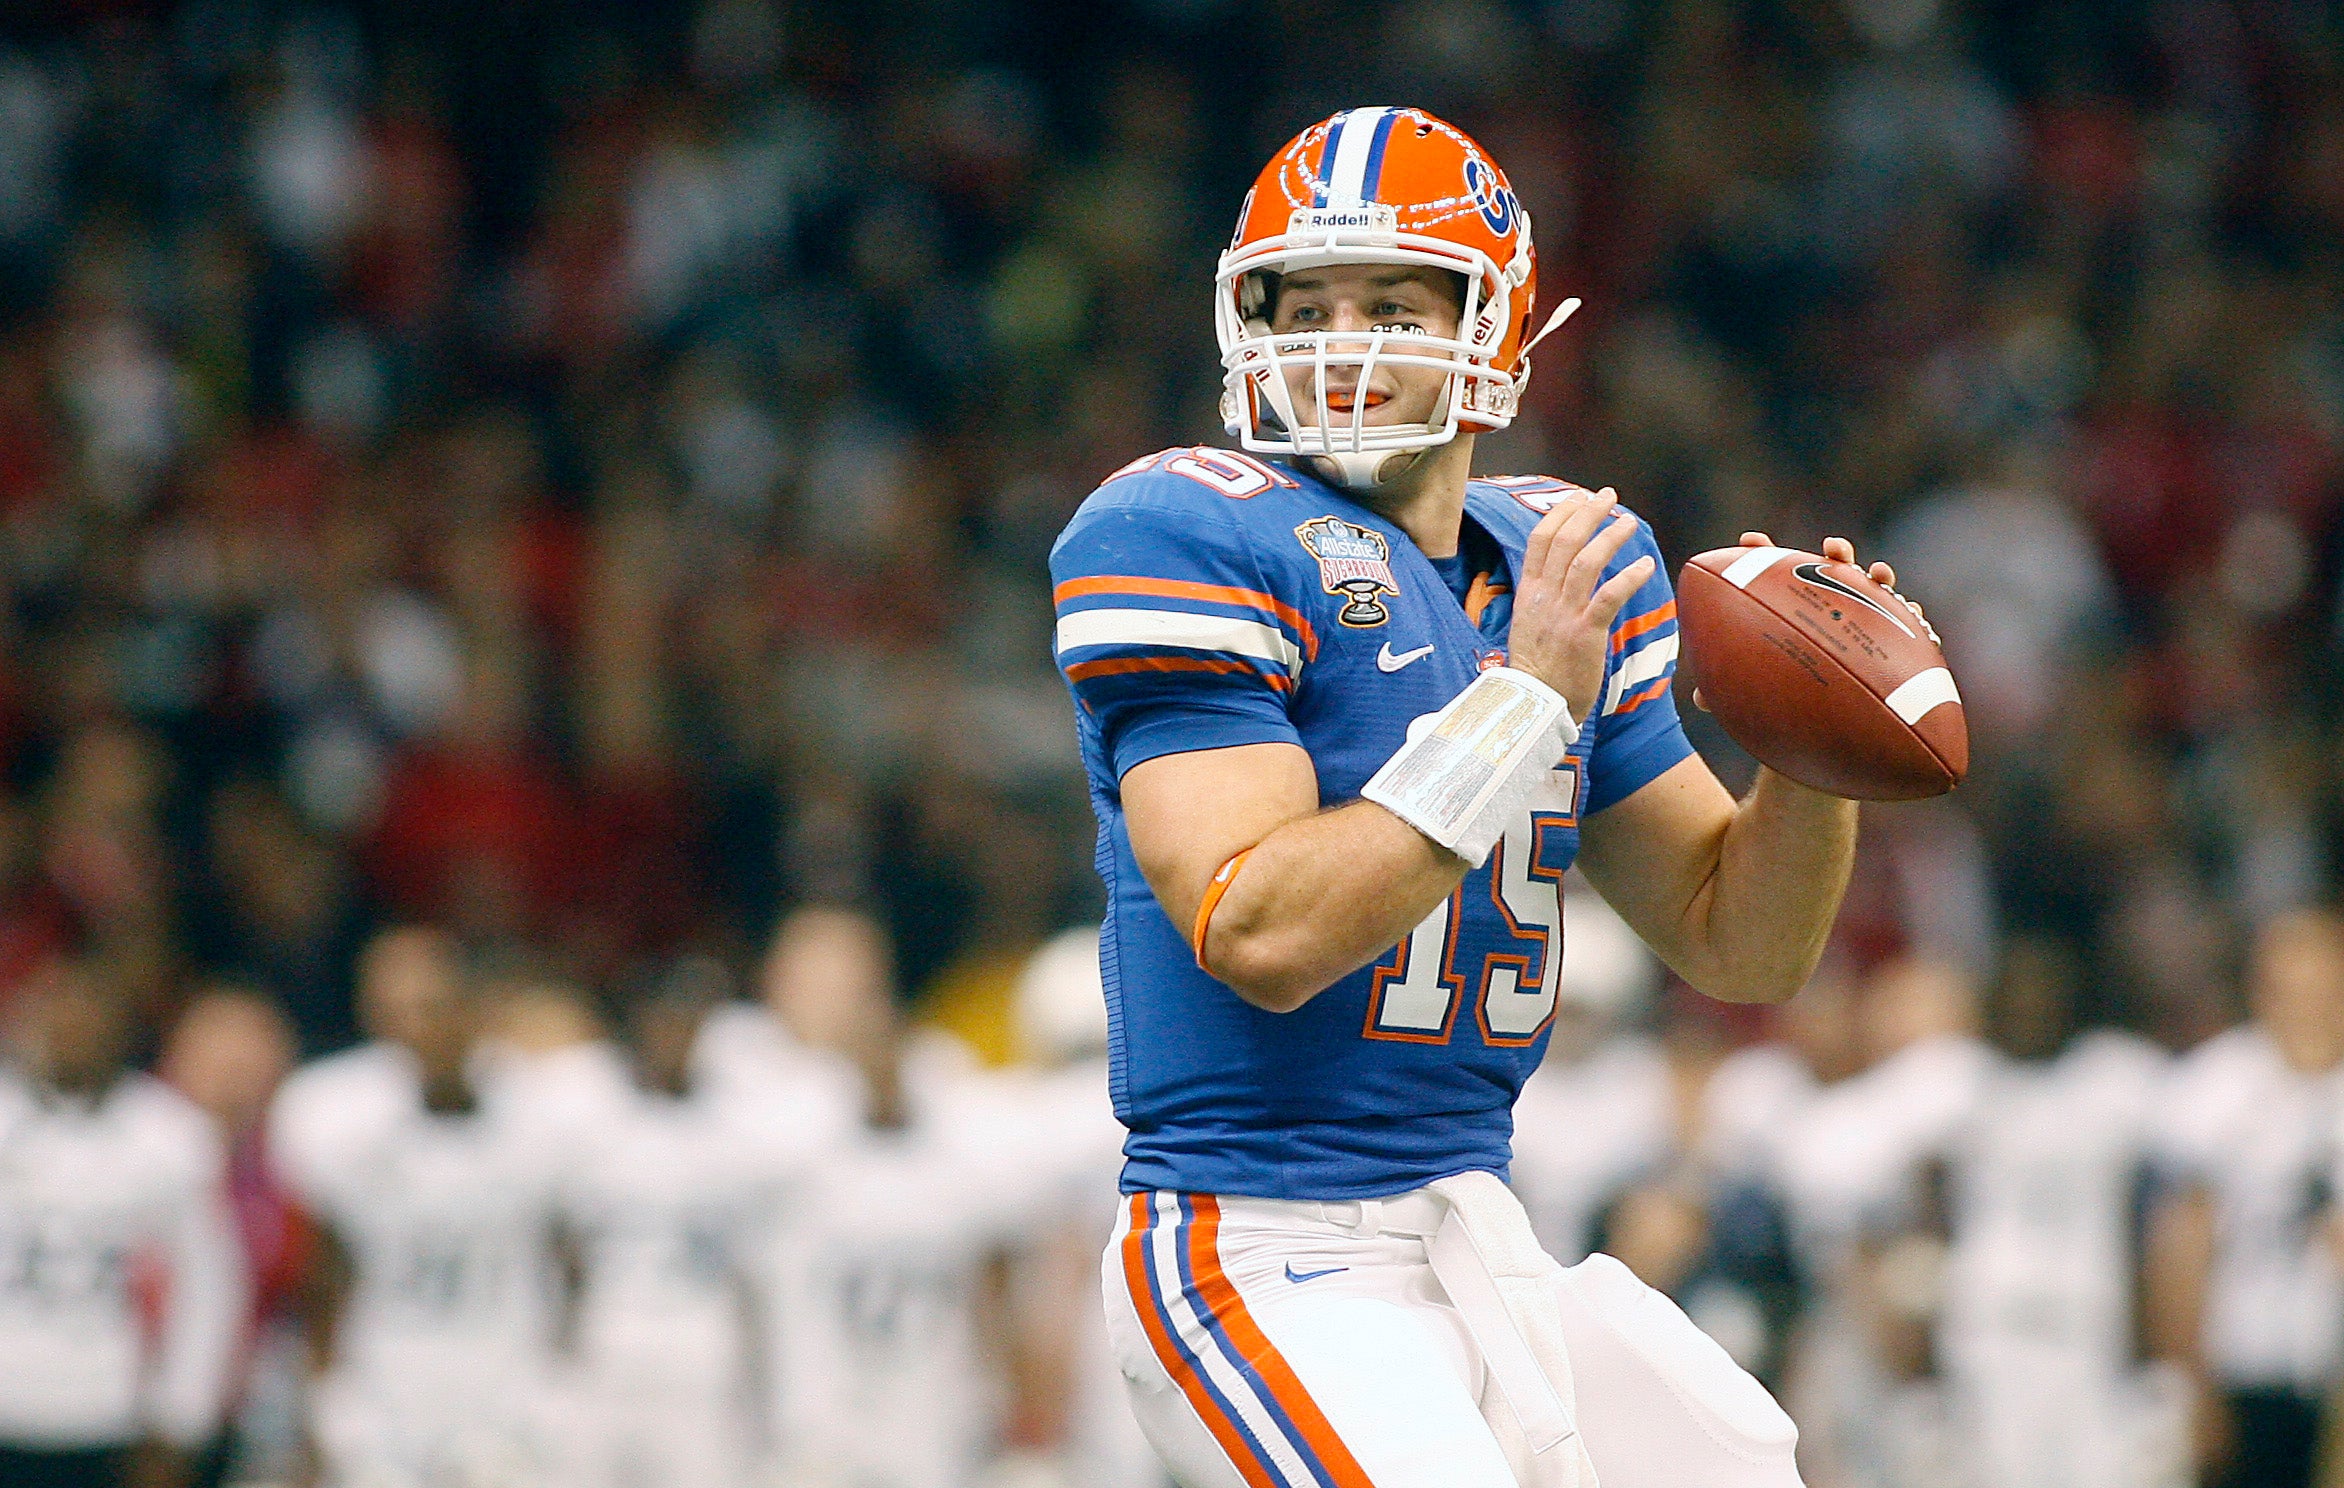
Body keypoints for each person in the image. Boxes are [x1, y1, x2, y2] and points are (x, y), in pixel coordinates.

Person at [1049, 105, 1906, 1488]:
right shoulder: (1183, 529)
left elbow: (1740, 940)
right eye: (1307, 298)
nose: (1343, 337)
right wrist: (1525, 706)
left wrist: (1810, 757)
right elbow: (1256, 927)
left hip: (1477, 1232)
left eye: (1394, 300)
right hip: (1262, 1250)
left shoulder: (1556, 557)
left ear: (1496, 328)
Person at [0, 963, 246, 1488]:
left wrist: (181, 1421)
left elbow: (209, 1284)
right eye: (59, 1011)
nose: (73, 1029)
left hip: (109, 1409)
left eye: (90, 1014)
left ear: (122, 1027)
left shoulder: (172, 1135)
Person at [2145, 909, 2344, 1488]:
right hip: (2246, 1366)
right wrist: (2193, 1389)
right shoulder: (2215, 1089)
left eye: (2321, 987)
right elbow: (2181, 1253)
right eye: (2290, 987)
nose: (2306, 1005)